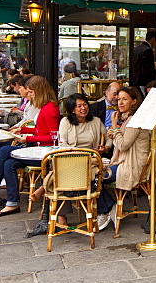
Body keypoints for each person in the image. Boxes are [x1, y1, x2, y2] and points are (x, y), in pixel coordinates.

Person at [0, 76, 61, 217]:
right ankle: (11, 203)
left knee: (4, 150)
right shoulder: (45, 107)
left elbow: (54, 137)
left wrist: (28, 138)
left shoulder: (49, 109)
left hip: (45, 153)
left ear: (39, 91)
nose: (29, 95)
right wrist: (23, 130)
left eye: (31, 92)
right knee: (9, 163)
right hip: (39, 149)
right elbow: (41, 129)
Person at [25, 93, 109, 237]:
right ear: (72, 109)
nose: (83, 108)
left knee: (60, 175)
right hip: (70, 158)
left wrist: (105, 148)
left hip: (91, 161)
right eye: (79, 106)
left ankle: (44, 190)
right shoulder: (66, 122)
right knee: (64, 171)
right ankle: (60, 216)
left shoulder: (95, 121)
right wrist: (79, 152)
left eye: (85, 105)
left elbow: (108, 137)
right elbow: (62, 143)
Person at [99, 86, 151, 231]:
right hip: (124, 162)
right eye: (119, 99)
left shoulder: (135, 120)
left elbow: (122, 145)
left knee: (94, 177)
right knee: (89, 174)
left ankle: (106, 209)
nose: (120, 102)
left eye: (125, 99)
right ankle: (109, 207)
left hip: (131, 166)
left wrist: (114, 127)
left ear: (134, 101)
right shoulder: (127, 119)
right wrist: (115, 130)